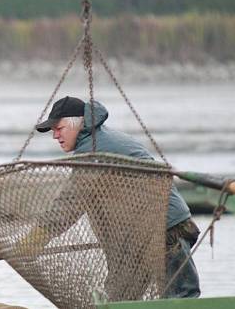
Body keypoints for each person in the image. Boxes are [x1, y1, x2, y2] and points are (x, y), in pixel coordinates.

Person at [31, 96, 200, 299]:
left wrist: (36, 239)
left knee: (180, 297)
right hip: (137, 238)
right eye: (53, 131)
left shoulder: (95, 149)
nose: (55, 136)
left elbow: (69, 203)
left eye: (59, 128)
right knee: (119, 299)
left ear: (78, 123)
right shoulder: (96, 142)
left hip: (165, 230)